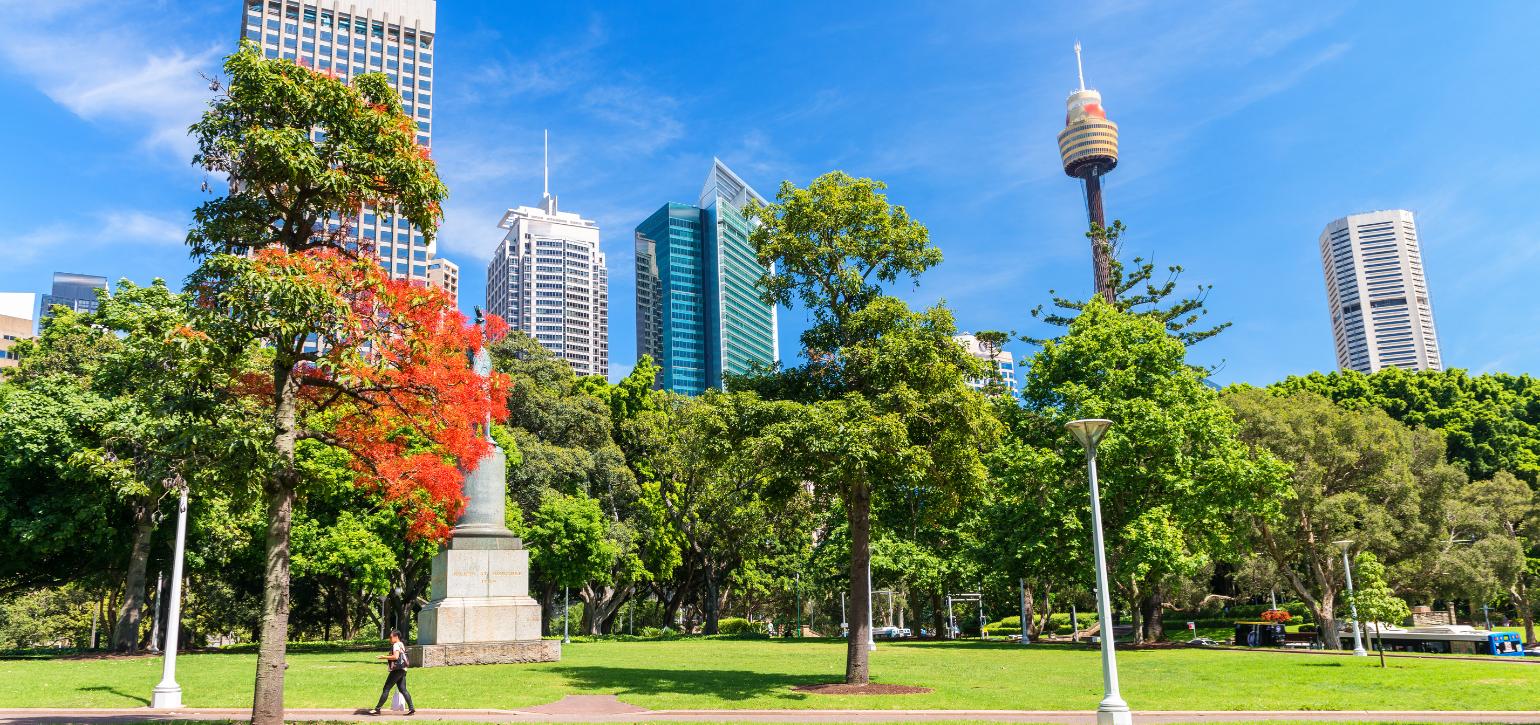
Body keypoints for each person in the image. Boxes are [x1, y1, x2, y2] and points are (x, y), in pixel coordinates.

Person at [369, 629, 414, 716]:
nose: (389, 639)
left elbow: (395, 657)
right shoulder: (401, 644)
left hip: (397, 670)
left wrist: (383, 657)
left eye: (390, 637)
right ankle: (412, 709)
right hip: (403, 669)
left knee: (386, 689)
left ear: (396, 637)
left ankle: (377, 709)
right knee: (403, 689)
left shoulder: (396, 645)